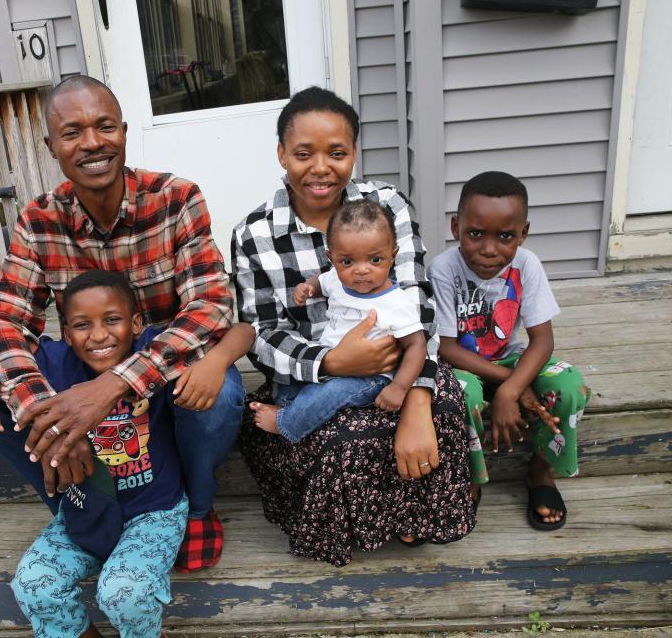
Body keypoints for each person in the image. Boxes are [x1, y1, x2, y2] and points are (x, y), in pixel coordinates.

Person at [0, 75, 244, 572]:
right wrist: (49, 425)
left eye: (104, 126)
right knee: (0, 393)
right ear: (52, 146)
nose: (92, 143)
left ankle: (193, 505)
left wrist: (116, 384)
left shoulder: (176, 199)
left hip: (166, 379)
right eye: (72, 132)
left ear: (124, 132)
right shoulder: (40, 221)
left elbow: (211, 307)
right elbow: (4, 321)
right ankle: (75, 506)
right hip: (82, 378)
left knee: (220, 397)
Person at [232, 86, 475, 566]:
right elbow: (262, 331)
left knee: (446, 403)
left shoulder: (386, 206)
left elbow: (419, 302)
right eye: (303, 153)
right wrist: (331, 362)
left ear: (354, 154)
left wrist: (417, 396)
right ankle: (356, 527)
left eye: (337, 153)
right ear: (281, 154)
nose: (320, 167)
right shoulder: (254, 233)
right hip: (307, 379)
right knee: (342, 432)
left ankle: (415, 516)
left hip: (396, 364)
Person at [10, 270, 187, 638]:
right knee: (33, 583)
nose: (99, 335)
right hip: (85, 508)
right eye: (81, 325)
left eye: (112, 320)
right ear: (66, 333)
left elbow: (238, 331)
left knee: (125, 593)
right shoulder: (56, 362)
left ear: (136, 323)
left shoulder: (152, 349)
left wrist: (216, 365)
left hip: (153, 511)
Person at [429, 171, 590, 531]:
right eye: (475, 234)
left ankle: (540, 470)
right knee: (459, 393)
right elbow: (448, 349)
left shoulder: (526, 264)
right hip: (464, 365)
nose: (489, 249)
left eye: (505, 236)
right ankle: (469, 478)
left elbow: (543, 341)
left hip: (509, 357)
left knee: (568, 384)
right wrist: (511, 385)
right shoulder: (443, 270)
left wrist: (514, 388)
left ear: (523, 233)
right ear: (456, 228)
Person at [249, 199, 428, 442]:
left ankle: (287, 423)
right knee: (287, 383)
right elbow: (320, 283)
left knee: (332, 392)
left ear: (392, 255)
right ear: (331, 257)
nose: (361, 270)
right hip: (332, 360)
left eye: (375, 260)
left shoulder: (397, 303)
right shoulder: (336, 279)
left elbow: (417, 345)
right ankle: (294, 405)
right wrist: (307, 288)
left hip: (371, 376)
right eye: (347, 261)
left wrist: (399, 387)